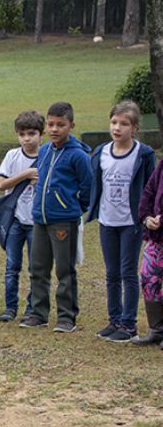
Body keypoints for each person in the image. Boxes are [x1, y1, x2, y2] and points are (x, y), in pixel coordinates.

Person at [21, 101, 93, 333]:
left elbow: (88, 187)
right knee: (38, 268)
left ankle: (66, 317)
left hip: (64, 220)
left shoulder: (78, 156)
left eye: (60, 125)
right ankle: (38, 313)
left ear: (71, 125)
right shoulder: (43, 151)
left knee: (64, 270)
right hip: (40, 218)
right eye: (50, 124)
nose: (54, 129)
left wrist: (72, 208)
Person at [87, 100, 156, 343]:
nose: (117, 128)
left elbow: (152, 188)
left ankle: (129, 324)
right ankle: (114, 320)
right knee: (111, 273)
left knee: (128, 273)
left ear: (134, 127)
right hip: (108, 221)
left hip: (131, 223)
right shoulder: (101, 152)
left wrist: (148, 216)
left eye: (124, 124)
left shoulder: (143, 154)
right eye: (114, 122)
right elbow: (95, 184)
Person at [0, 110, 44, 322]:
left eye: (32, 133)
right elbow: (2, 184)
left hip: (36, 222)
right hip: (15, 219)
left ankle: (33, 308)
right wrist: (25, 175)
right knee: (12, 265)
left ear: (41, 134)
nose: (27, 138)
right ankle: (10, 307)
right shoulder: (12, 156)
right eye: (22, 134)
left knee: (36, 267)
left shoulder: (47, 156)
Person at [134, 155, 163, 349]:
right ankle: (157, 329)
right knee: (149, 278)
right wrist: (146, 217)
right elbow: (149, 191)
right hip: (157, 236)